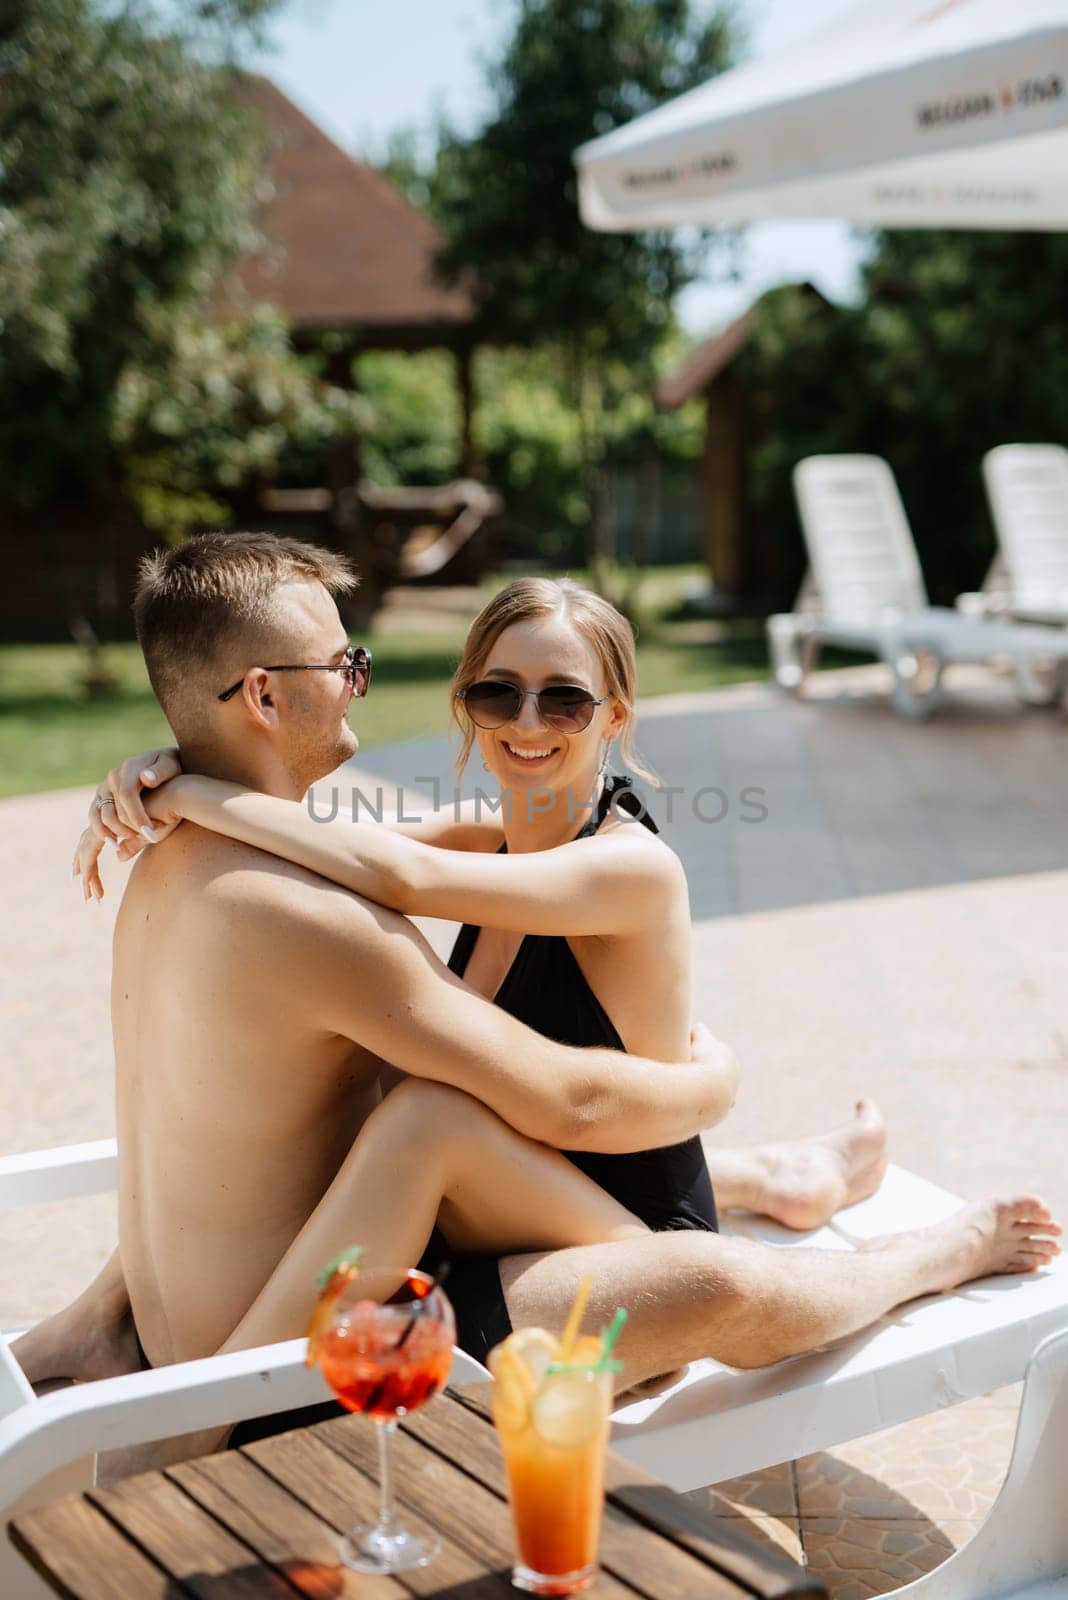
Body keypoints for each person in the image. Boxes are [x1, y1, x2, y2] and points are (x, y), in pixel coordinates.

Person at [16, 537, 1059, 1435]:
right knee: (423, 1112)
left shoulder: (171, 866)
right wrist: (184, 775)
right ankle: (783, 1178)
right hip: (322, 1323)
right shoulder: (347, 891)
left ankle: (919, 1248)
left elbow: (410, 886)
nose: (361, 679)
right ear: (263, 694)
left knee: (457, 1129)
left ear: (615, 714)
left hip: (547, 1218)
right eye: (348, 663)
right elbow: (392, 865)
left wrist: (185, 778)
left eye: (565, 696)